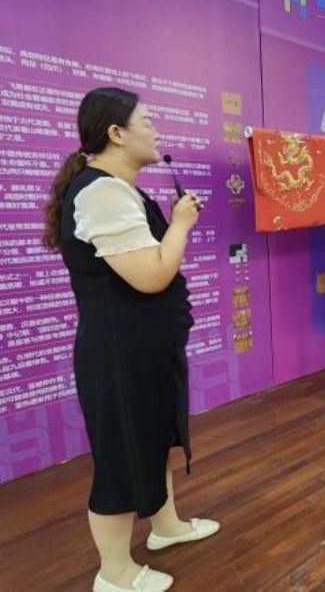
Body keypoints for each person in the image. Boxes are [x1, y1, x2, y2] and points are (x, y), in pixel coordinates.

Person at [43, 88, 219, 592]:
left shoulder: (123, 190)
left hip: (143, 349)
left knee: (153, 436)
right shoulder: (101, 192)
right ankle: (115, 572)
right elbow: (152, 276)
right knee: (121, 457)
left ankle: (165, 527)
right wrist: (181, 223)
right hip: (119, 354)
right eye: (148, 122)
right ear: (117, 133)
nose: (157, 131)